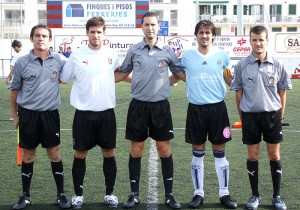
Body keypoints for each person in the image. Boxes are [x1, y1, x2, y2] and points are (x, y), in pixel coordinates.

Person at [115, 12, 185, 209]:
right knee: (136, 150)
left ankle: (169, 195)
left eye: (153, 24)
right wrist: (100, 78)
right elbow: (122, 73)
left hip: (161, 107)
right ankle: (134, 194)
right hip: (138, 106)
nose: (150, 28)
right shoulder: (134, 50)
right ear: (142, 27)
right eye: (147, 24)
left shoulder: (168, 50)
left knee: (164, 149)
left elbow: (179, 73)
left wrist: (170, 83)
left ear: (158, 27)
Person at [60, 16, 120, 209]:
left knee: (109, 153)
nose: (96, 35)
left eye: (99, 31)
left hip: (106, 113)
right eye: (92, 31)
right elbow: (64, 77)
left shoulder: (113, 54)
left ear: (104, 33)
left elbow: (120, 73)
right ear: (87, 33)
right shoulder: (77, 54)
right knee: (80, 154)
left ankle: (109, 193)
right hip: (83, 114)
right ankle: (78, 195)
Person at [230, 25, 292, 210]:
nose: (258, 43)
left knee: (274, 155)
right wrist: (244, 116)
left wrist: (280, 116)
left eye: (261, 40)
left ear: (267, 41)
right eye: (254, 39)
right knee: (253, 155)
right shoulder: (241, 65)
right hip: (250, 117)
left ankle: (277, 197)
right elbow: (238, 94)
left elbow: (282, 92)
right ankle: (254, 196)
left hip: (272, 116)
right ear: (250, 41)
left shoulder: (278, 64)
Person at [10, 24, 71, 210]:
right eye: (37, 35)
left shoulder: (59, 60)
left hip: (50, 115)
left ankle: (61, 194)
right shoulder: (22, 62)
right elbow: (14, 91)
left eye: (44, 36)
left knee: (54, 154)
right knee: (28, 156)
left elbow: (74, 72)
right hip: (28, 115)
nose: (41, 39)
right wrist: (15, 115)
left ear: (50, 39)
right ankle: (25, 196)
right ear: (31, 39)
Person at [180, 20, 237, 209]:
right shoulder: (187, 57)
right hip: (196, 108)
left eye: (208, 33)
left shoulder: (223, 56)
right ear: (196, 35)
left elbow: (229, 78)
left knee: (220, 152)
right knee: (198, 153)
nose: (204, 36)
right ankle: (198, 194)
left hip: (217, 109)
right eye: (201, 32)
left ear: (213, 35)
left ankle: (224, 193)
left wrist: (231, 82)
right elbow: (179, 73)